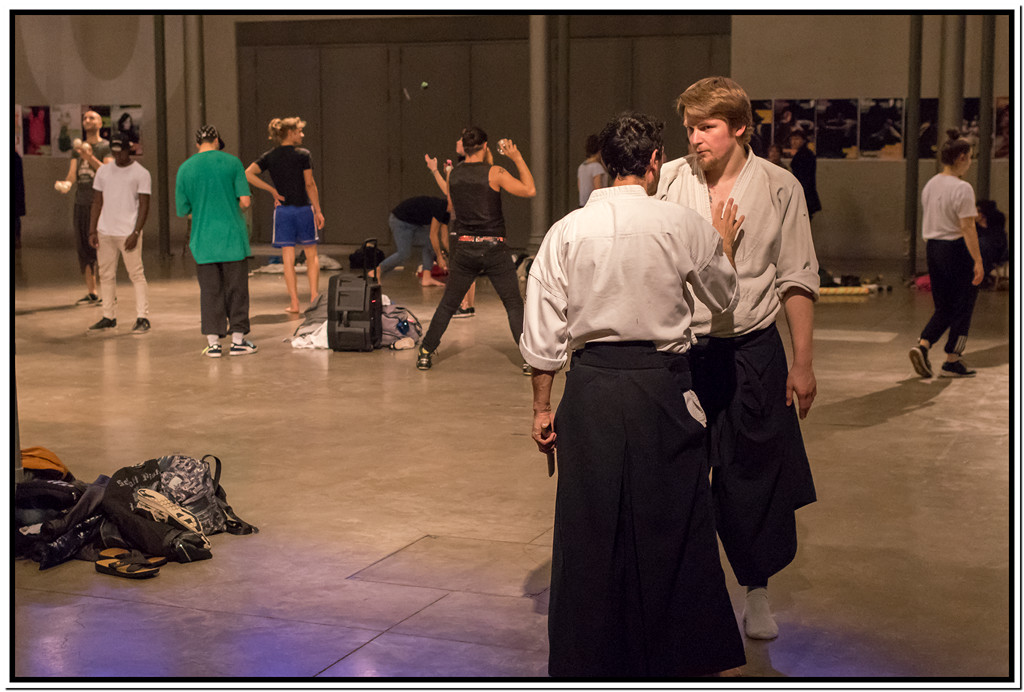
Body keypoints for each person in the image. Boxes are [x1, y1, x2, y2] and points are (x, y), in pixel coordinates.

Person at [522, 112, 745, 677]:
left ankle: (588, 660)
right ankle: (675, 659)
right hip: (662, 386)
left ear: (603, 163)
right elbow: (723, 297)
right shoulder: (682, 224)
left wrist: (542, 408)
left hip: (591, 388)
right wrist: (722, 244)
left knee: (588, 528)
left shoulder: (566, 231)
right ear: (654, 162)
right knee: (674, 522)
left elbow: (543, 334)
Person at [657, 76, 820, 641]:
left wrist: (802, 362)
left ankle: (756, 589)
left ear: (740, 128)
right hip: (683, 351)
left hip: (752, 349)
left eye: (707, 127)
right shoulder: (669, 181)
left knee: (752, 474)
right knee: (678, 473)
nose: (695, 139)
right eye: (689, 128)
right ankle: (687, 592)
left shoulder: (778, 187)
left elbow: (797, 276)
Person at [416, 127, 535, 371]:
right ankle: (529, 359)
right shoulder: (495, 172)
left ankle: (425, 352)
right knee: (513, 304)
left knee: (448, 304)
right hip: (494, 248)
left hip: (465, 247)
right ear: (485, 146)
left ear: (466, 147)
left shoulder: (454, 174)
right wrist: (516, 157)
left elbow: (452, 206)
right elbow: (529, 189)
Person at [908, 131, 984, 379]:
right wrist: (978, 260)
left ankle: (923, 345)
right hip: (956, 249)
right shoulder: (963, 188)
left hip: (933, 249)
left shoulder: (931, 184)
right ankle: (953, 359)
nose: (970, 163)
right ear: (961, 157)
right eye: (970, 157)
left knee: (944, 306)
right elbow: (967, 227)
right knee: (964, 305)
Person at [175, 126, 257, 357]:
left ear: (197, 144)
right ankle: (238, 341)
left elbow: (183, 210)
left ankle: (213, 345)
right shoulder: (232, 163)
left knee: (210, 292)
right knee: (237, 290)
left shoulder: (185, 168)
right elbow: (245, 201)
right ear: (217, 140)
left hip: (203, 241)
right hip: (232, 238)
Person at [245, 117, 325, 313]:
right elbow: (309, 184)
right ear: (290, 133)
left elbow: (248, 173)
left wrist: (272, 190)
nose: (302, 135)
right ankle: (314, 297)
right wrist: (318, 210)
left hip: (283, 212)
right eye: (299, 131)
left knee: (287, 258)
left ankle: (295, 303)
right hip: (303, 209)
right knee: (311, 254)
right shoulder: (303, 155)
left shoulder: (270, 156)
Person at [86, 134, 152, 333]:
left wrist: (136, 232)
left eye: (120, 152)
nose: (117, 156)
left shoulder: (141, 173)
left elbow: (144, 205)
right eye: (114, 152)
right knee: (106, 275)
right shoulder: (103, 171)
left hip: (128, 232)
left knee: (136, 274)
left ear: (128, 150)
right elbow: (97, 201)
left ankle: (142, 317)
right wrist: (92, 229)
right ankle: (109, 316)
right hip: (105, 231)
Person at [56, 110, 112, 305]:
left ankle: (109, 292)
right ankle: (92, 292)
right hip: (81, 203)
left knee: (103, 249)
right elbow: (73, 174)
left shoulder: (106, 147)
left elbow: (108, 172)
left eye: (91, 117)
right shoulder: (77, 149)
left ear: (100, 123)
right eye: (85, 118)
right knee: (83, 248)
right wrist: (66, 184)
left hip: (100, 204)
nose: (87, 120)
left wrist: (89, 157)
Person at [427, 145, 477, 318]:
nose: (458, 142)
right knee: (468, 266)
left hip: (461, 223)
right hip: (469, 223)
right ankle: (469, 306)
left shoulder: (462, 172)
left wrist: (442, 173)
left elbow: (450, 195)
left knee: (460, 268)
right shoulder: (471, 173)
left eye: (461, 141)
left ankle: (464, 305)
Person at [379, 196, 448, 286]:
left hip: (414, 224)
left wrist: (452, 256)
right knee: (404, 253)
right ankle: (377, 270)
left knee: (429, 243)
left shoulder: (447, 213)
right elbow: (433, 235)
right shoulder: (441, 207)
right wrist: (439, 257)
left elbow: (444, 238)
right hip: (400, 221)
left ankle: (426, 278)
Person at [789, 130, 821, 220]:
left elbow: (805, 179)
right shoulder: (803, 154)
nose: (793, 142)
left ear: (803, 140)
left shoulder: (805, 155)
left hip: (805, 195)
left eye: (797, 139)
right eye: (792, 139)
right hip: (805, 195)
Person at [975, 199, 1007, 283]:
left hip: (994, 254)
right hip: (979, 254)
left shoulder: (995, 229)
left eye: (977, 211)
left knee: (981, 244)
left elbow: (999, 245)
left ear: (983, 214)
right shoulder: (975, 227)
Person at [576, 133, 608, 206]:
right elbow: (598, 189)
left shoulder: (581, 166)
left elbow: (580, 188)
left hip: (583, 205)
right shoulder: (597, 167)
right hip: (595, 205)